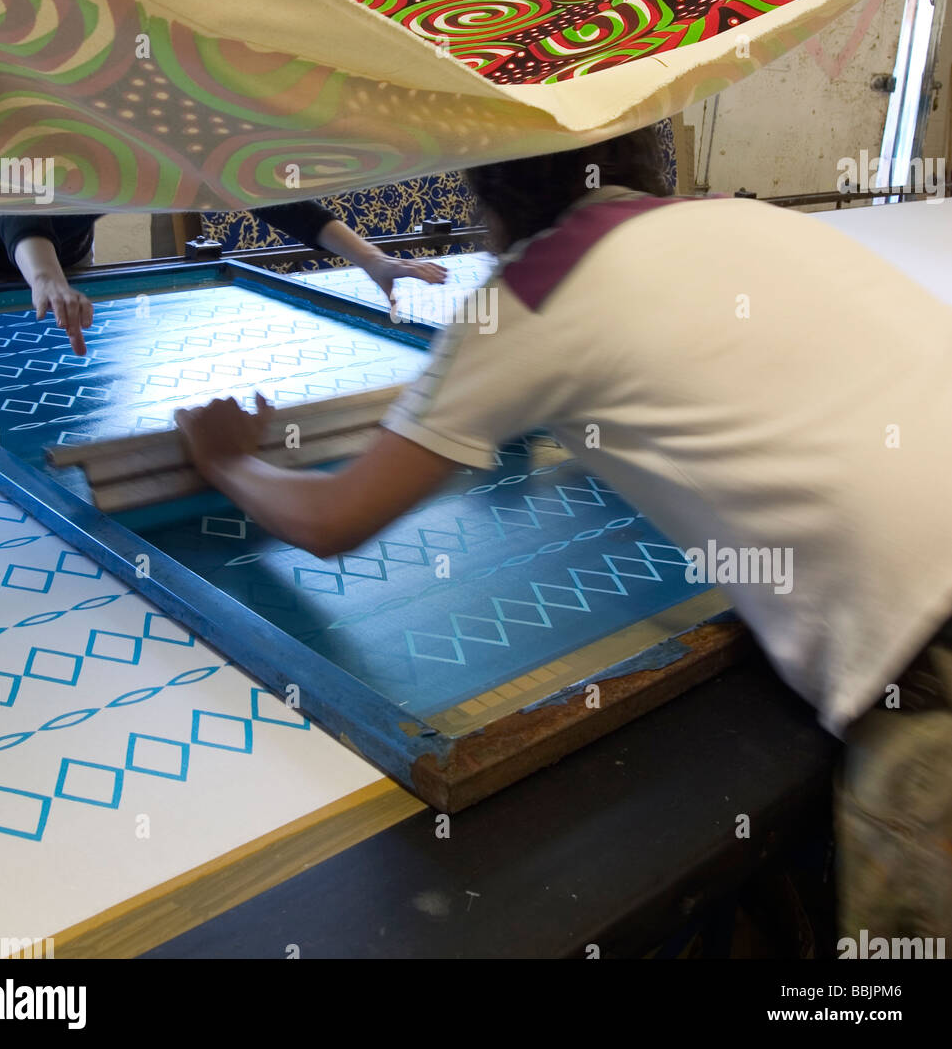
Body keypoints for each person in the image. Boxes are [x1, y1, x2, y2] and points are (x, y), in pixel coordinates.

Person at [174, 124, 952, 945]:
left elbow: (332, 521)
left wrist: (228, 462)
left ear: (488, 197)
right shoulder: (747, 219)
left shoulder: (535, 292)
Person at [0, 202, 446, 356]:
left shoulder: (161, 122)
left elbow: (269, 192)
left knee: (56, 359)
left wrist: (373, 261)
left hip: (61, 259)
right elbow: (17, 206)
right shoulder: (46, 101)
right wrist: (46, 278)